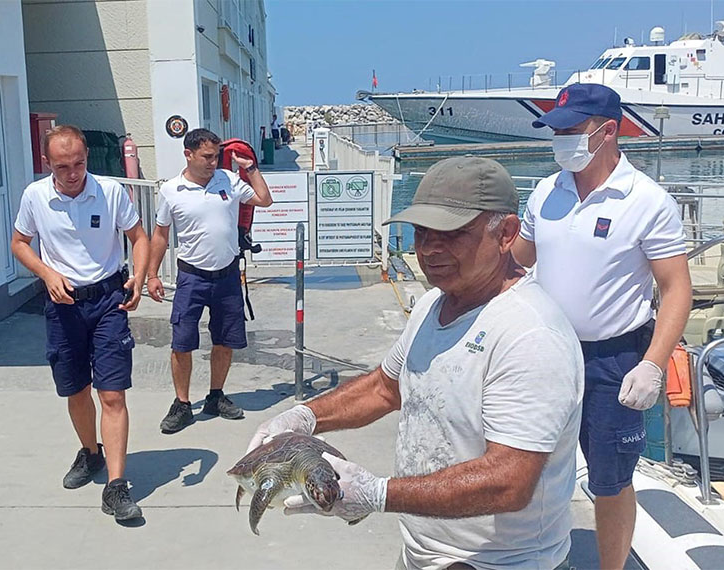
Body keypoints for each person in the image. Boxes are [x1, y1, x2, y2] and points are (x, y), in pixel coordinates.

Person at [249, 156, 584, 570]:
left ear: (507, 234)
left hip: (500, 562)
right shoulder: (433, 303)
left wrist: (379, 494)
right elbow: (385, 388)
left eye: (453, 234)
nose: (429, 250)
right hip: (423, 551)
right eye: (422, 233)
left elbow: (510, 480)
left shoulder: (530, 335)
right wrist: (303, 418)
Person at [512, 83, 693, 570]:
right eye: (556, 130)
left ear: (608, 131)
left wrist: (652, 365)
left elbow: (676, 289)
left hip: (615, 360)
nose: (560, 139)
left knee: (610, 479)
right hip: (544, 356)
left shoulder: (647, 200)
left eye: (570, 130)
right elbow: (516, 261)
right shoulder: (546, 190)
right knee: (530, 467)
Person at [10, 125, 150, 522]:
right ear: (47, 163)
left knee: (112, 394)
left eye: (79, 164)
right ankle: (91, 453)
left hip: (108, 300)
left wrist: (138, 278)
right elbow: (19, 243)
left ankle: (117, 487)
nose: (73, 173)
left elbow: (139, 237)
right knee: (76, 389)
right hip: (63, 305)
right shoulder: (35, 197)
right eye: (63, 166)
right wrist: (46, 273)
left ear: (87, 158)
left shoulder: (109, 192)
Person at [146, 128, 273, 434]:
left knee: (225, 340)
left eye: (216, 156)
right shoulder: (171, 191)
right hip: (192, 278)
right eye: (206, 156)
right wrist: (151, 275)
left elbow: (264, 200)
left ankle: (216, 396)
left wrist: (250, 169)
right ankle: (182, 403)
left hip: (227, 276)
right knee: (182, 343)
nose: (212, 162)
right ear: (188, 154)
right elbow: (160, 235)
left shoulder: (229, 180)